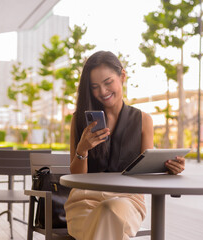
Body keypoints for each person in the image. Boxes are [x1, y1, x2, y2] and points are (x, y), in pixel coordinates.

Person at [64, 51, 186, 240]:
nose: (102, 92)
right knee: (108, 220)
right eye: (95, 87)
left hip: (127, 200)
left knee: (111, 210)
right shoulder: (79, 120)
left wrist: (170, 169)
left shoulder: (143, 120)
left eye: (108, 82)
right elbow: (77, 177)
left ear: (122, 76)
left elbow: (147, 170)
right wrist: (83, 150)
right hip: (84, 200)